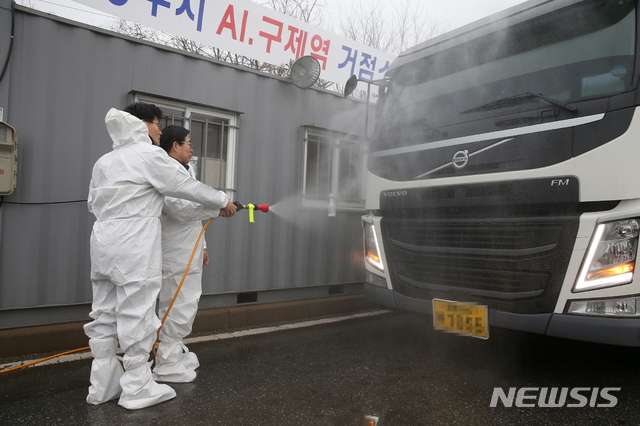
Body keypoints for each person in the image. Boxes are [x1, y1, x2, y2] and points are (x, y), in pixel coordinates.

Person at [83, 103, 236, 410]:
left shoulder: (104, 161)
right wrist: (222, 199)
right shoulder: (148, 155)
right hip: (134, 243)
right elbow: (183, 187)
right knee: (136, 312)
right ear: (142, 124)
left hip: (102, 241)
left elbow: (92, 203)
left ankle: (103, 383)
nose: (158, 132)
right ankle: (137, 386)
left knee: (104, 311)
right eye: (156, 125)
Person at [153, 125, 218, 383]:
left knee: (187, 302)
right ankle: (166, 362)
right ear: (174, 146)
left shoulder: (187, 171)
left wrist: (202, 246)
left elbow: (194, 215)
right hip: (175, 251)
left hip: (189, 247)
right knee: (174, 303)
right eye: (188, 143)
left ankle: (175, 350)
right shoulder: (165, 173)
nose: (192, 149)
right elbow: (181, 210)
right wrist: (217, 206)